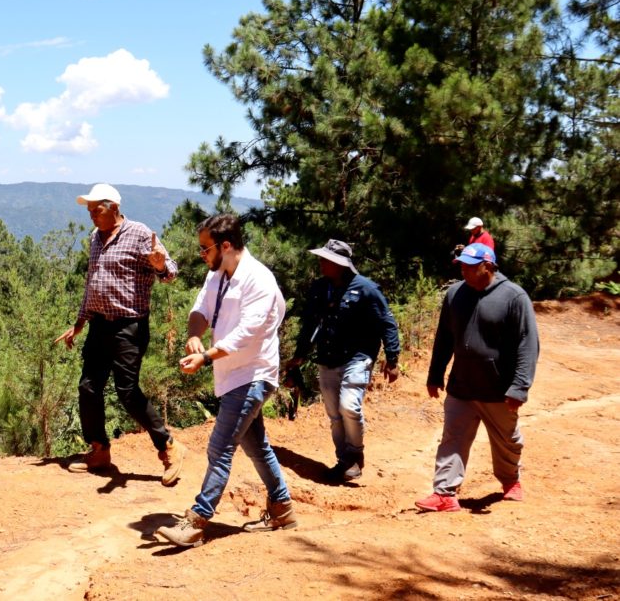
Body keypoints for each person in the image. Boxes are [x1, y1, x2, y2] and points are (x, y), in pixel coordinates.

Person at [155, 214, 296, 547]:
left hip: (254, 374)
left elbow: (247, 334)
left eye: (206, 249)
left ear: (226, 245)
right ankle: (283, 507)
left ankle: (196, 520)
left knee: (219, 447)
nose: (202, 255)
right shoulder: (217, 275)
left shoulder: (258, 280)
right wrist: (193, 336)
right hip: (231, 374)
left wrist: (205, 356)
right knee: (255, 445)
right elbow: (201, 310)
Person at [54, 183, 187, 486]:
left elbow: (171, 272)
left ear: (113, 207)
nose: (92, 216)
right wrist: (79, 323)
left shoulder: (140, 233)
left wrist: (161, 265)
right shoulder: (95, 239)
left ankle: (169, 447)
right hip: (99, 324)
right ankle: (99, 451)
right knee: (88, 387)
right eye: (89, 211)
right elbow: (92, 284)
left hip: (129, 326)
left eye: (96, 210)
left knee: (127, 392)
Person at [416, 243, 539, 512]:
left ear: (488, 266)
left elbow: (527, 345)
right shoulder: (455, 294)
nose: (465, 271)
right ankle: (444, 493)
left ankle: (510, 480)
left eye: (470, 266)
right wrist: (435, 374)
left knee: (506, 441)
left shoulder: (514, 297)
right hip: (462, 386)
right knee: (452, 438)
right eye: (462, 265)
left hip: (498, 390)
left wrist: (519, 387)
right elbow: (444, 338)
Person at [286, 239, 401, 482]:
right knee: (333, 413)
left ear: (340, 264)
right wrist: (299, 355)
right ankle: (344, 461)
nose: (320, 263)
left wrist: (392, 359)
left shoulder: (367, 289)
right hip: (327, 358)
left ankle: (356, 455)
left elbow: (387, 323)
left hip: (357, 358)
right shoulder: (319, 288)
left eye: (325, 260)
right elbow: (309, 324)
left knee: (349, 406)